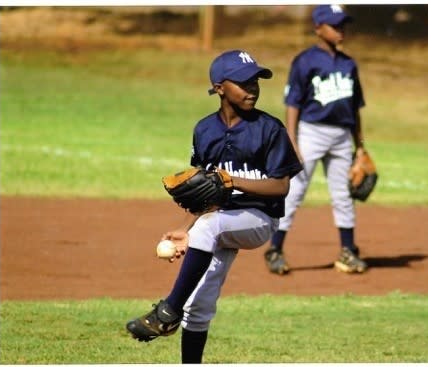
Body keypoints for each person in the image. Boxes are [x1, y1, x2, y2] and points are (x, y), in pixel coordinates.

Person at [126, 50, 302, 364]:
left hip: (258, 219)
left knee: (211, 226)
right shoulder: (204, 130)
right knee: (199, 303)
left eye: (256, 81)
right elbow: (204, 191)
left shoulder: (269, 129)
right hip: (217, 219)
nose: (253, 88)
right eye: (243, 82)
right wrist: (183, 228)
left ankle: (168, 311)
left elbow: (281, 186)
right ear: (219, 87)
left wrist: (232, 181)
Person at [264, 4, 369, 275]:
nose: (341, 30)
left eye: (343, 25)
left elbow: (355, 109)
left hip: (342, 135)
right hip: (311, 132)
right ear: (318, 29)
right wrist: (293, 140)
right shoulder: (305, 61)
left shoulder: (349, 64)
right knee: (295, 192)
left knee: (344, 195)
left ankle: (348, 250)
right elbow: (292, 103)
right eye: (335, 25)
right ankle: (275, 248)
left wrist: (361, 147)